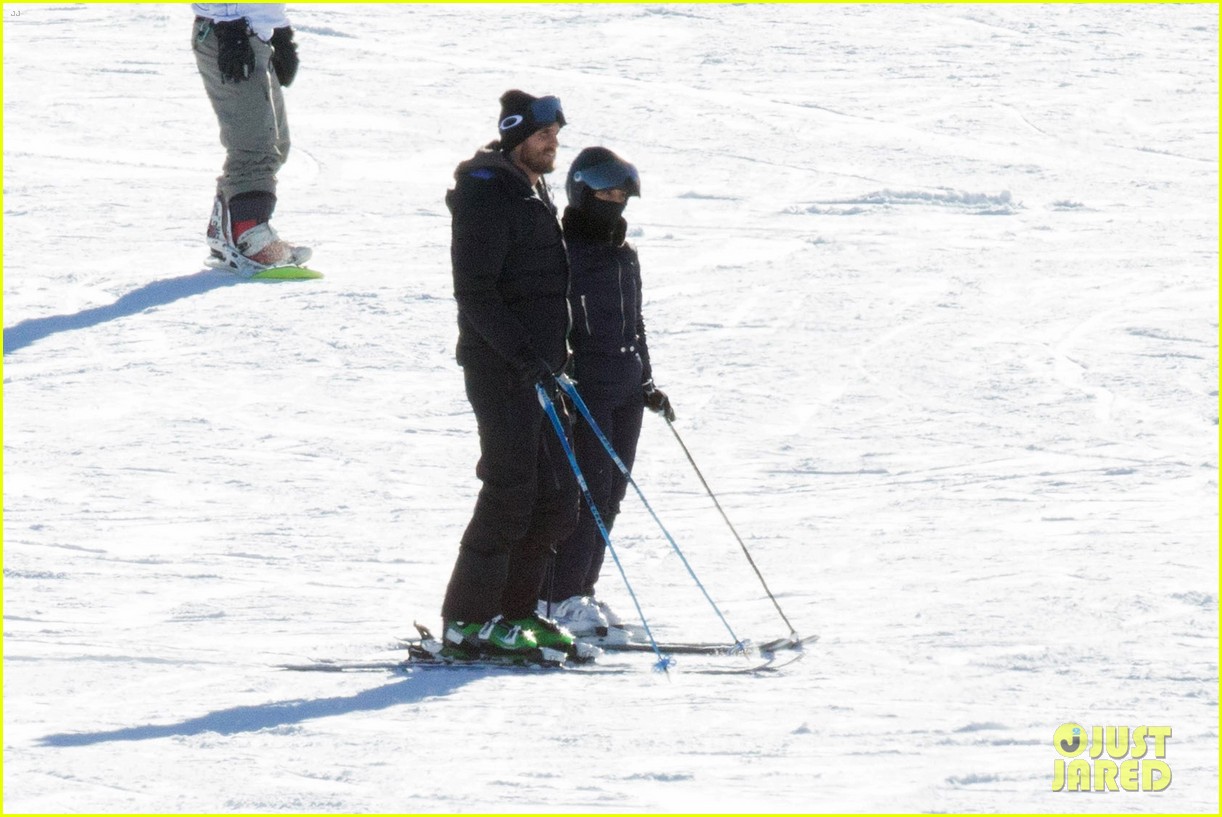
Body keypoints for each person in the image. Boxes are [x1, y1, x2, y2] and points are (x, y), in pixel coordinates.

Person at [440, 90, 582, 659]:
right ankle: (467, 619)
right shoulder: (486, 192)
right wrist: (527, 359)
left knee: (558, 497)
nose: (554, 144)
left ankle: (515, 614)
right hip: (502, 368)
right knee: (511, 490)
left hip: (542, 370)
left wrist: (553, 362)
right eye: (545, 135)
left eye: (557, 136)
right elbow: (475, 291)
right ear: (516, 134)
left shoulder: (530, 189)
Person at [539, 147, 673, 636]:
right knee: (586, 495)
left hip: (626, 389)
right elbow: (553, 324)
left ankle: (581, 593)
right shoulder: (563, 253)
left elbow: (633, 324)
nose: (615, 202)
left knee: (612, 496)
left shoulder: (623, 255)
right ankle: (556, 597)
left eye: (621, 194)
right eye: (606, 193)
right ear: (581, 192)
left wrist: (647, 382)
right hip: (585, 389)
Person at [192, 4, 310, 271]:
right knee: (254, 147)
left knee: (276, 143)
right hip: (227, 32)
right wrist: (229, 24)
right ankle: (248, 234)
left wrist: (279, 30)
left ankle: (226, 232)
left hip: (254, 32)